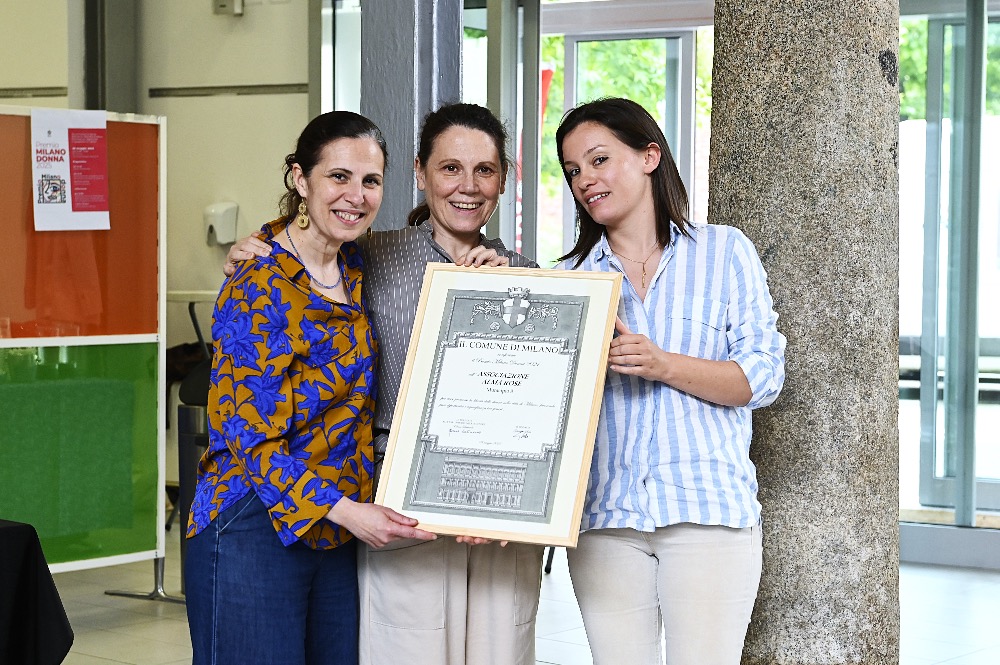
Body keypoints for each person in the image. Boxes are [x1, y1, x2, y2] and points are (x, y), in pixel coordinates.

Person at [225, 103, 544, 665]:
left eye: (485, 170)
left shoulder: (530, 278)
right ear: (420, 173)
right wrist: (252, 247)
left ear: (503, 180)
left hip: (500, 503)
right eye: (450, 168)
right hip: (395, 500)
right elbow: (303, 250)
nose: (468, 186)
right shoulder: (370, 256)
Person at [185, 110, 436, 665]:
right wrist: (349, 512)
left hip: (333, 529)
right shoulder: (257, 284)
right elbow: (249, 437)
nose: (356, 196)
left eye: (371, 181)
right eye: (338, 176)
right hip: (253, 518)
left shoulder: (355, 265)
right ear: (300, 178)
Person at [554, 97, 786, 665]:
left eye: (599, 160)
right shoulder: (568, 279)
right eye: (573, 170)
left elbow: (762, 376)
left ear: (649, 156)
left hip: (707, 514)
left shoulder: (724, 252)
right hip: (605, 520)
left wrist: (663, 364)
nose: (585, 180)